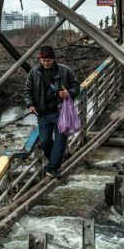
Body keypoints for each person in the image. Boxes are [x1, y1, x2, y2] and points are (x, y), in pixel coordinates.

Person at [25, 45, 81, 178]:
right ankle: (54, 165)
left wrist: (68, 93)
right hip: (42, 113)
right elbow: (27, 90)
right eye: (43, 61)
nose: (45, 63)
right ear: (40, 59)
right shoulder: (34, 72)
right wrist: (30, 104)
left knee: (60, 141)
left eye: (48, 61)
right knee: (44, 142)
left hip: (61, 112)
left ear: (53, 59)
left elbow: (76, 87)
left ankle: (51, 168)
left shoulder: (65, 71)